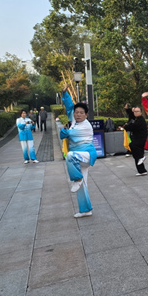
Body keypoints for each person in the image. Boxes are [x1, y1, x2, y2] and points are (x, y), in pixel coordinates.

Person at [60, 85, 97, 218]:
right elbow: (70, 107)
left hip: (86, 155)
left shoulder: (85, 126)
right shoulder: (74, 120)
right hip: (78, 159)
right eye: (77, 112)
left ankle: (77, 178)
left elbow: (68, 134)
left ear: (86, 115)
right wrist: (65, 94)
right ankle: (86, 210)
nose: (78, 114)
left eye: (82, 113)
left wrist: (64, 132)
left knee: (70, 155)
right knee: (83, 186)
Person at [123, 105, 148, 176]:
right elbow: (131, 116)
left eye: (137, 111)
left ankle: (142, 158)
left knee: (133, 146)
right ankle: (142, 170)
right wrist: (128, 109)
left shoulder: (140, 120)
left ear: (141, 112)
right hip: (137, 138)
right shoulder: (137, 118)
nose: (136, 113)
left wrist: (125, 127)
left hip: (140, 139)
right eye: (135, 111)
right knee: (136, 155)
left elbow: (133, 127)